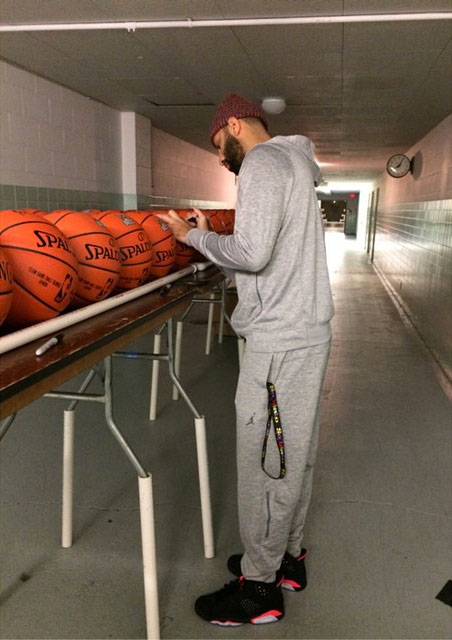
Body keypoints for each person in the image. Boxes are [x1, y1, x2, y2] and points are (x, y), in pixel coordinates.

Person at [156, 93, 334, 627]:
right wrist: (214, 240)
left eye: (218, 145)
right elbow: (267, 259)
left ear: (235, 124)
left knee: (265, 461)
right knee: (293, 451)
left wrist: (191, 237)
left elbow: (252, 253)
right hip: (302, 333)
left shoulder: (261, 162)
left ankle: (259, 589)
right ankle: (286, 557)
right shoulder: (296, 162)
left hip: (280, 343)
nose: (220, 158)